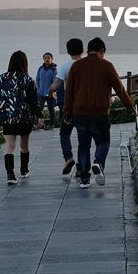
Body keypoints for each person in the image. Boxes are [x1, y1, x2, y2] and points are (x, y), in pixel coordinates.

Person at [65, 37, 134, 189]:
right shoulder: (107, 65)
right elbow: (120, 90)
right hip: (100, 113)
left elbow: (69, 92)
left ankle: (84, 178)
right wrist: (131, 108)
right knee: (103, 142)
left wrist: (68, 113)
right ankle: (98, 163)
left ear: (88, 50)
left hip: (79, 114)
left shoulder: (76, 66)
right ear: (102, 51)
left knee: (83, 146)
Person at [0, 50, 44, 185]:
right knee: (24, 145)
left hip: (7, 116)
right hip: (24, 117)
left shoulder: (0, 78)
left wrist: (8, 100)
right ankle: (24, 170)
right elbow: (33, 101)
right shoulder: (28, 80)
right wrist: (39, 115)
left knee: (9, 146)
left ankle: (10, 174)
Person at [49, 38, 84, 177]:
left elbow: (56, 85)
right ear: (83, 50)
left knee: (64, 133)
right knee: (83, 138)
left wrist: (50, 92)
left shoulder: (65, 66)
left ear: (68, 51)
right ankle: (81, 168)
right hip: (85, 108)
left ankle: (68, 158)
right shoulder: (86, 65)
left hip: (69, 107)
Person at [37, 53, 59, 129]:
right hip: (41, 93)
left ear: (51, 59)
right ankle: (38, 124)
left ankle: (51, 125)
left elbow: (55, 82)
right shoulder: (40, 69)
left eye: (48, 58)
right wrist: (38, 89)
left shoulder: (54, 70)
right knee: (39, 109)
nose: (47, 59)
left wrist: (52, 91)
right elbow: (37, 79)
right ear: (43, 59)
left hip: (50, 93)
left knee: (51, 109)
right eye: (45, 58)